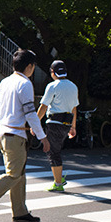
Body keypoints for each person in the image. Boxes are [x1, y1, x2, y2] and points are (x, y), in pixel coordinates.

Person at [0, 49, 49, 222]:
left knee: (19, 173)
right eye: (33, 66)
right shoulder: (25, 83)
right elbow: (30, 113)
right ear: (29, 66)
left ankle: (20, 211)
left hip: (2, 132)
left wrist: (7, 113)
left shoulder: (6, 81)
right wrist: (42, 136)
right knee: (14, 174)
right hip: (15, 134)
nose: (33, 69)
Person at [36, 60, 78, 191]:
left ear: (53, 72)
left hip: (54, 123)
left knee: (53, 152)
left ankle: (58, 183)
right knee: (55, 151)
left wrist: (35, 123)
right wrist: (73, 127)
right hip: (66, 124)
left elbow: (43, 106)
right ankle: (59, 179)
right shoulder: (73, 86)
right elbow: (74, 109)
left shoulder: (52, 86)